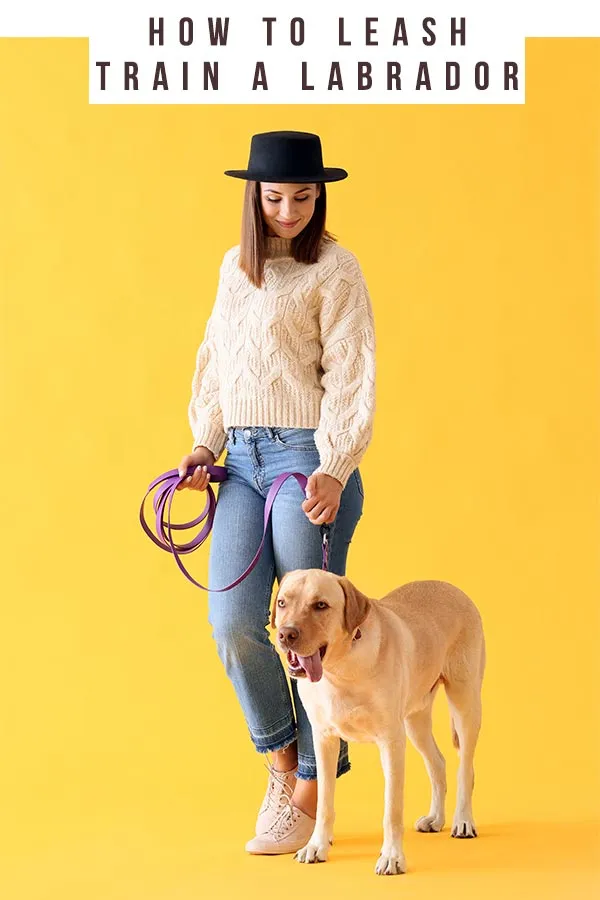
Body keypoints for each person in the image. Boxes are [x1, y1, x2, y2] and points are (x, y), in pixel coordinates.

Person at [176, 131, 376, 854]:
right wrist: (206, 443)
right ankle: (285, 765)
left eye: (302, 196)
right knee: (234, 623)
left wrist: (335, 462)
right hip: (243, 462)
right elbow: (217, 362)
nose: (288, 209)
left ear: (319, 197)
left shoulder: (337, 270)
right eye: (274, 196)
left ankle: (317, 786)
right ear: (253, 198)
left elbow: (352, 372)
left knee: (313, 626)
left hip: (306, 460)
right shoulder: (236, 267)